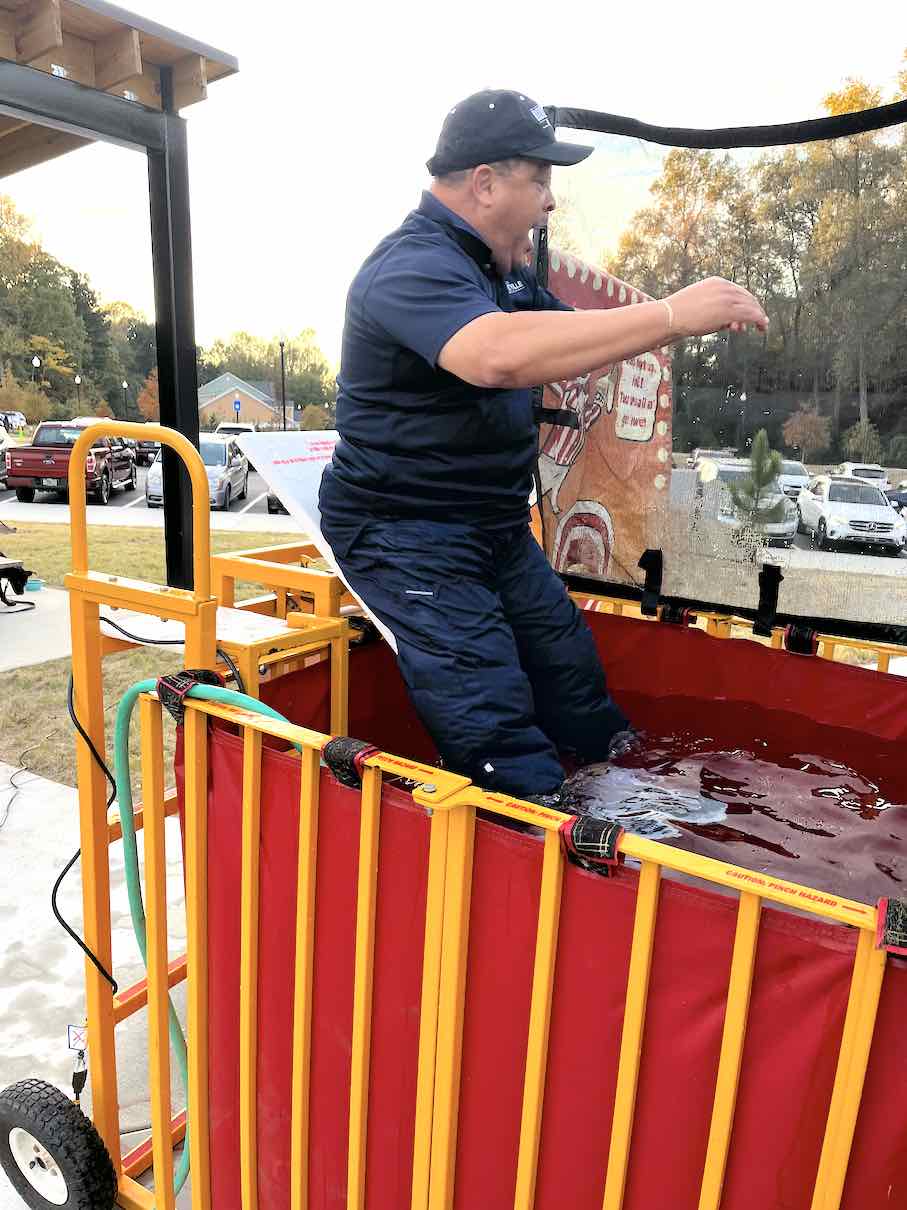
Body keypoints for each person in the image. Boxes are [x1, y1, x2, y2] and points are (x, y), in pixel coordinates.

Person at [319, 88, 768, 804]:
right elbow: (494, 355)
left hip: (491, 527)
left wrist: (662, 326)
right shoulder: (410, 266)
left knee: (572, 679)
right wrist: (672, 314)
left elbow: (569, 342)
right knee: (490, 714)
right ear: (485, 182)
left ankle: (637, 804)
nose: (551, 201)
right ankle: (553, 849)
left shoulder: (499, 274)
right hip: (403, 530)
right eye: (541, 179)